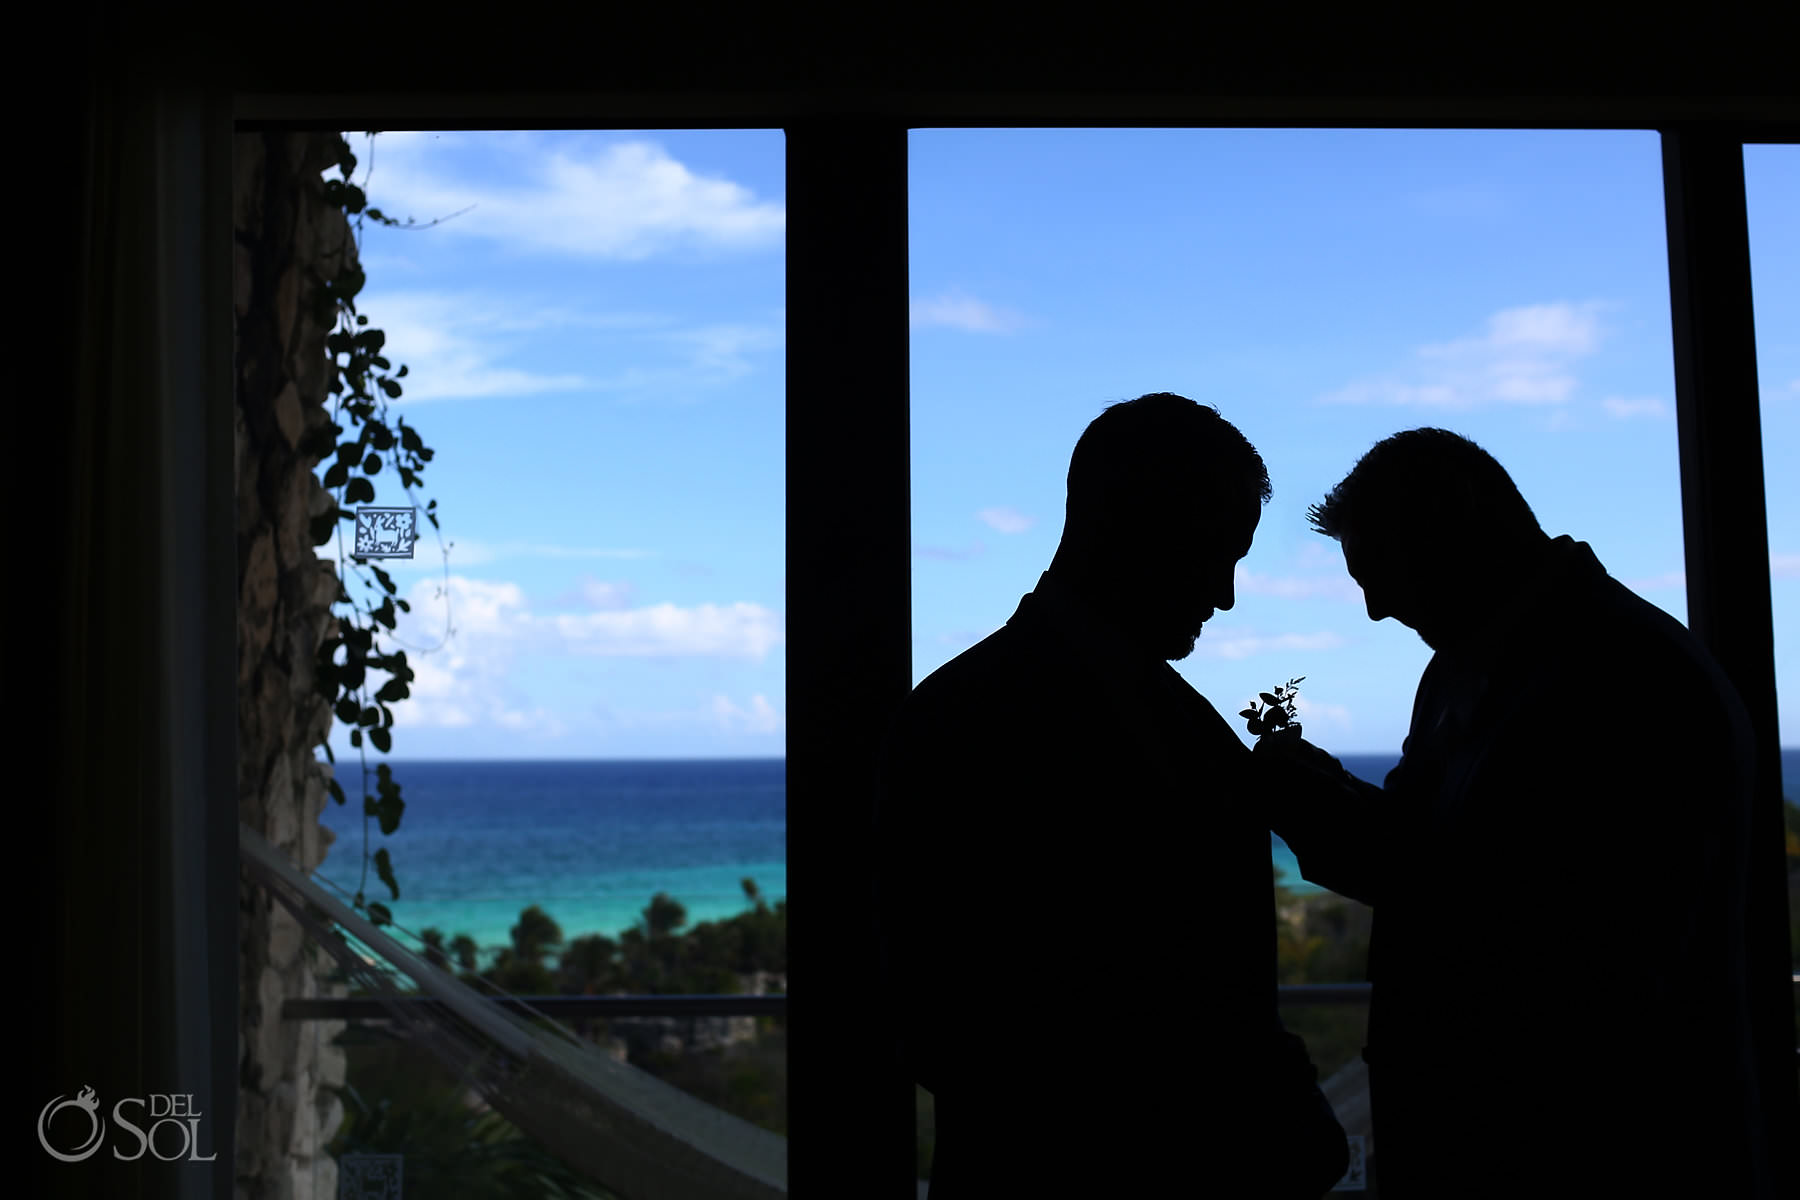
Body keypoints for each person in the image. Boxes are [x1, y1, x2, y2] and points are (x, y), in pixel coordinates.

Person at [1255, 427, 1772, 1198]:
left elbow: (1504, 910)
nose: (1373, 611)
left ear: (1455, 526)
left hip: (1591, 1150)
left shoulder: (1625, 679)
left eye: (1383, 572)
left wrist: (1309, 805)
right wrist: (1328, 794)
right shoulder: (1481, 664)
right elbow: (1443, 843)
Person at [873, 393, 1349, 1198]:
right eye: (1216, 553)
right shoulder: (971, 720)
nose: (1227, 595)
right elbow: (948, 1024)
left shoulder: (958, 709)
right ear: (1137, 526)